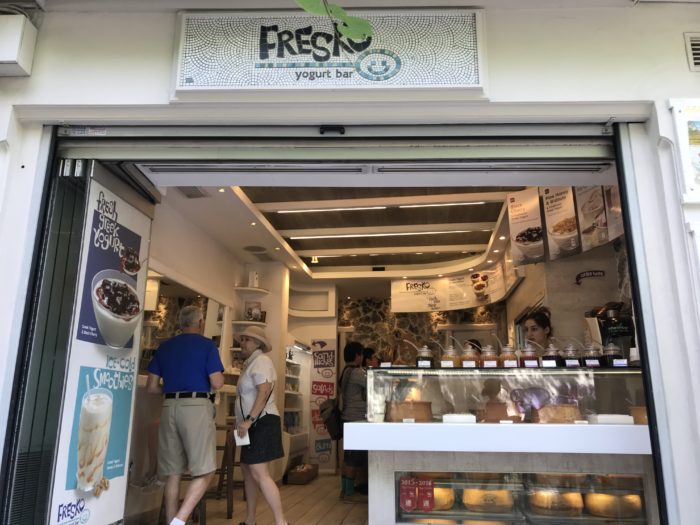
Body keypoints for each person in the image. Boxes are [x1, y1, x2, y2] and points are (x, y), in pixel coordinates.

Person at [146, 305, 225, 525]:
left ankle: (171, 520)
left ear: (180, 323)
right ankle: (179, 520)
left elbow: (151, 387)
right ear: (200, 323)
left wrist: (173, 388)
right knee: (205, 470)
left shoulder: (165, 347)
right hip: (196, 408)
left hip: (169, 406)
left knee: (173, 473)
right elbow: (217, 382)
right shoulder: (207, 345)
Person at [235, 325, 289, 525]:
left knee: (259, 473)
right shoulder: (251, 363)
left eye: (247, 340)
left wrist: (249, 420)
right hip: (250, 424)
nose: (242, 343)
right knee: (248, 471)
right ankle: (250, 520)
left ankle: (281, 522)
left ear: (258, 343)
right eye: (242, 339)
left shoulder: (261, 361)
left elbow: (263, 392)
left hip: (260, 422)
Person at [339, 341, 368, 501]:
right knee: (353, 457)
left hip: (347, 417)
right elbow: (372, 384)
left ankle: (345, 489)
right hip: (355, 418)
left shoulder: (346, 370)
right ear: (357, 355)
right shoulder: (356, 372)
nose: (362, 357)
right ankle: (348, 492)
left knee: (348, 455)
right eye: (361, 354)